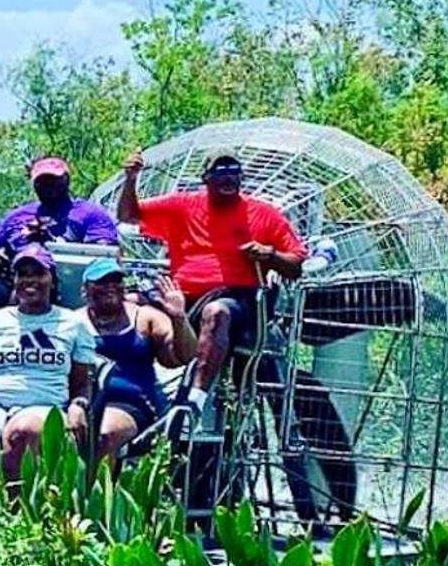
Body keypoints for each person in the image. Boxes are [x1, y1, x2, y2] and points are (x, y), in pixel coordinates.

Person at [115, 147, 307, 422]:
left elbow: (296, 265)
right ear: (205, 178)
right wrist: (131, 178)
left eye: (234, 172)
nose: (228, 178)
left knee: (216, 312)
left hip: (236, 301)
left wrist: (270, 255)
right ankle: (123, 386)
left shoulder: (263, 213)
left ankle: (194, 401)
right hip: (182, 297)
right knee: (127, 303)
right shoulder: (182, 205)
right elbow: (128, 215)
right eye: (220, 171)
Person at [0, 245, 98, 478]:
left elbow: (82, 382)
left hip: (47, 409)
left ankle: (15, 501)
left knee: (22, 431)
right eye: (22, 274)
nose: (30, 280)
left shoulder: (73, 323)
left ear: (52, 280)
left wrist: (79, 405)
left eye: (38, 273)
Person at [80, 257, 196, 463]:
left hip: (131, 403)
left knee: (103, 433)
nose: (110, 287)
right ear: (85, 290)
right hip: (83, 401)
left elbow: (182, 357)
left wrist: (179, 318)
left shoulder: (146, 318)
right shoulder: (72, 321)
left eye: (116, 281)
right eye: (102, 282)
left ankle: (94, 485)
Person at [0, 156, 121, 309]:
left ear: (66, 180)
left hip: (70, 286)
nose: (48, 185)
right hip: (16, 283)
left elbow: (104, 256)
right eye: (41, 181)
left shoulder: (90, 214)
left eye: (53, 180)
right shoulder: (16, 217)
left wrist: (50, 243)